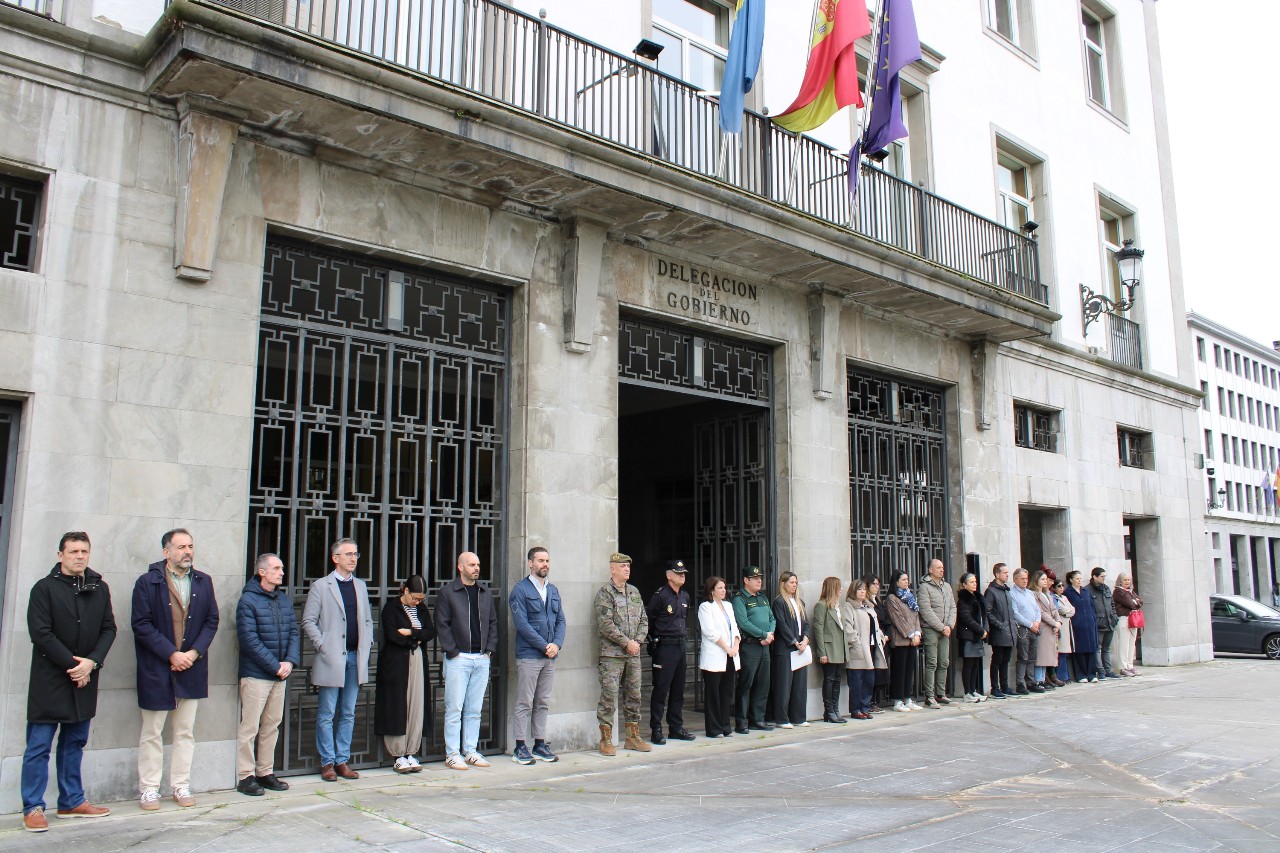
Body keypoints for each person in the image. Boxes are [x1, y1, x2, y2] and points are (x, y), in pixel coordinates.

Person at [21, 532, 116, 833]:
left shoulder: (99, 588)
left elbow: (109, 629)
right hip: (51, 680)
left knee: (75, 742)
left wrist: (92, 662)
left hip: (85, 678)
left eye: (84, 551)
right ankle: (33, 806)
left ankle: (72, 801)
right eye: (73, 551)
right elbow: (41, 633)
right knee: (38, 745)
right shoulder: (44, 589)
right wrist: (75, 665)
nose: (79, 556)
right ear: (60, 554)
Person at [132, 528, 219, 811]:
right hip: (157, 668)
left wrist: (193, 654)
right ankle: (149, 789)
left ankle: (180, 785)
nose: (188, 552)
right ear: (166, 551)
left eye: (190, 546)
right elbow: (141, 625)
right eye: (181, 547)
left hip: (191, 668)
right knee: (152, 732)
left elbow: (211, 620)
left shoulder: (204, 582)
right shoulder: (148, 582)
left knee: (185, 731)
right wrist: (171, 653)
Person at [301, 538, 374, 781]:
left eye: (356, 554)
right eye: (348, 554)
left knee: (348, 712)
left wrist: (368, 643)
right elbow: (308, 621)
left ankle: (343, 759)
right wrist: (322, 645)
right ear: (335, 558)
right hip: (331, 659)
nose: (353, 558)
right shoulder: (321, 586)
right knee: (327, 712)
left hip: (355, 657)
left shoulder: (361, 587)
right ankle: (328, 762)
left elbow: (366, 621)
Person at [235, 553, 300, 796]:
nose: (281, 572)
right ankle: (245, 776)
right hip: (256, 675)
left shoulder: (283, 599)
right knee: (249, 726)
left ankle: (265, 772)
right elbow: (249, 639)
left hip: (280, 674)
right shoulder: (248, 600)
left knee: (272, 725)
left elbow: (294, 631)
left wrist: (290, 662)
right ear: (262, 571)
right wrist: (275, 665)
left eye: (281, 568)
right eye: (276, 568)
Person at [434, 551, 499, 770]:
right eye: (471, 564)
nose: (476, 568)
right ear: (460, 567)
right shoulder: (448, 592)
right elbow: (442, 624)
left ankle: (470, 750)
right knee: (454, 708)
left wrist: (488, 650)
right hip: (458, 658)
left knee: (475, 708)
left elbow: (492, 623)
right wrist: (452, 651)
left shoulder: (485, 593)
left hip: (481, 658)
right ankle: (452, 753)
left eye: (478, 564)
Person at [508, 546, 566, 764]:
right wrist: (544, 645)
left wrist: (557, 645)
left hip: (550, 656)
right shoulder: (520, 590)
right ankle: (520, 747)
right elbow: (522, 625)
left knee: (543, 701)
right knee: (525, 701)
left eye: (547, 560)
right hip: (529, 655)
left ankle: (540, 744)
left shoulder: (553, 590)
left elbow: (561, 620)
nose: (545, 564)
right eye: (540, 560)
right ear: (530, 563)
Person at [374, 575, 436, 773]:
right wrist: (415, 637)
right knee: (397, 704)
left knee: (416, 704)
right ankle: (398, 753)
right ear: (405, 591)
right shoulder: (391, 608)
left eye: (421, 599)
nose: (417, 602)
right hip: (396, 662)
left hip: (417, 658)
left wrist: (410, 633)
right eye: (415, 598)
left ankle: (411, 751)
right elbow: (392, 635)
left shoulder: (421, 609)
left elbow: (430, 632)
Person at [595, 553, 651, 755]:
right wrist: (626, 642)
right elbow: (605, 624)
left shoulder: (634, 592)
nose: (627, 569)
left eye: (628, 565)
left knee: (634, 695)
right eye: (623, 566)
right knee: (609, 697)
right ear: (613, 569)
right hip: (612, 656)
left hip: (633, 654)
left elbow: (644, 620)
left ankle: (632, 737)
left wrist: (637, 642)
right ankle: (606, 740)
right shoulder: (605, 593)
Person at [646, 560, 695, 744]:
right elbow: (649, 619)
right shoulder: (660, 596)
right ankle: (656, 729)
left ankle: (676, 727)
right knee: (661, 689)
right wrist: (653, 641)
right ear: (669, 575)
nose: (682, 575)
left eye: (683, 573)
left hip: (680, 646)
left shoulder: (685, 596)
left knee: (678, 690)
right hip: (665, 647)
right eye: (678, 572)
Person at [732, 565, 775, 733]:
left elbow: (772, 618)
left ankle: (758, 719)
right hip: (750, 646)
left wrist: (769, 634)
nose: (759, 581)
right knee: (746, 684)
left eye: (760, 578)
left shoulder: (763, 598)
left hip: (764, 646)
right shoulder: (739, 599)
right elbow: (743, 623)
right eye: (755, 578)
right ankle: (741, 721)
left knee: (763, 684)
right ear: (746, 580)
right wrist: (763, 634)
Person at [698, 576, 741, 737]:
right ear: (711, 591)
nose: (724, 590)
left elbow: (735, 627)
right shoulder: (705, 607)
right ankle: (714, 728)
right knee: (713, 693)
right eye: (720, 588)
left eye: (724, 588)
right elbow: (710, 632)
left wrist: (735, 645)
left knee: (726, 692)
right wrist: (726, 648)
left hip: (730, 655)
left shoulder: (728, 606)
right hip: (715, 655)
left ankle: (725, 726)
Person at [771, 571, 811, 727]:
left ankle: (799, 717)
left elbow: (806, 624)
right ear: (783, 584)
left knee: (799, 686)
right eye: (791, 582)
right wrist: (795, 642)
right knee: (784, 685)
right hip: (786, 649)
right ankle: (782, 718)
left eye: (796, 582)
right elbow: (782, 625)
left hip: (801, 648)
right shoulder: (779, 602)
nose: (794, 585)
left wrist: (805, 640)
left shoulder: (799, 602)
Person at [840, 579, 885, 719]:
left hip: (871, 648)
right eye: (859, 589)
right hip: (858, 650)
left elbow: (875, 626)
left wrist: (881, 637)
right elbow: (848, 628)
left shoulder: (868, 607)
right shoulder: (849, 607)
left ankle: (865, 707)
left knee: (869, 680)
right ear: (853, 591)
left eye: (864, 589)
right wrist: (857, 643)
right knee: (856, 682)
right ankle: (855, 709)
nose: (862, 592)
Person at [916, 558, 956, 708]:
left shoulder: (946, 586)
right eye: (938, 567)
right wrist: (941, 627)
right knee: (932, 662)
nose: (942, 570)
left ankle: (941, 693)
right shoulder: (924, 587)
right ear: (930, 570)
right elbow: (926, 610)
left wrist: (950, 625)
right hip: (932, 629)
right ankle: (929, 696)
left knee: (944, 662)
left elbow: (953, 607)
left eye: (942, 567)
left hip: (945, 629)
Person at [811, 576, 848, 724]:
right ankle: (829, 710)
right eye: (839, 587)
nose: (841, 590)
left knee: (837, 679)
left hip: (840, 646)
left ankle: (835, 709)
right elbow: (818, 629)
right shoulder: (821, 605)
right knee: (830, 678)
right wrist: (822, 652)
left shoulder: (838, 606)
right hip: (829, 647)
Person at [885, 569, 922, 712]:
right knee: (899, 671)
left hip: (913, 639)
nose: (907, 582)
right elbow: (898, 619)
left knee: (909, 670)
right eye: (903, 580)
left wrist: (917, 633)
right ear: (896, 582)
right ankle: (898, 700)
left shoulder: (910, 596)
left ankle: (908, 697)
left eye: (907, 579)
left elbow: (916, 615)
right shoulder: (892, 598)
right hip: (900, 639)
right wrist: (911, 634)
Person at [954, 571, 988, 703]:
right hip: (968, 636)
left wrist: (985, 629)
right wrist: (980, 630)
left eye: (975, 582)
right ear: (964, 584)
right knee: (968, 664)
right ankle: (967, 692)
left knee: (975, 664)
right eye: (971, 582)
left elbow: (983, 615)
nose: (974, 584)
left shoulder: (977, 597)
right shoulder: (963, 600)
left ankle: (973, 690)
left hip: (977, 635)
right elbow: (966, 618)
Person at [1008, 567, 1042, 695]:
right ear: (1015, 579)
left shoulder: (1030, 593)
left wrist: (1037, 622)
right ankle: (1020, 683)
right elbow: (1015, 613)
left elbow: (1037, 610)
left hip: (1035, 627)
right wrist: (1030, 624)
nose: (1025, 581)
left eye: (1026, 579)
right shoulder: (1012, 594)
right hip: (1023, 628)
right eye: (1022, 579)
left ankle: (1031, 682)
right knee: (1023, 656)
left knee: (1032, 657)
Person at [984, 563, 1015, 699]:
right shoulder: (991, 591)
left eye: (1008, 573)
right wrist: (999, 624)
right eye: (1005, 573)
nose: (1007, 575)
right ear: (997, 574)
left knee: (1006, 660)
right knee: (997, 659)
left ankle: (1005, 686)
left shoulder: (1006, 590)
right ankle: (995, 688)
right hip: (999, 631)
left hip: (1009, 630)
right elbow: (988, 611)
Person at [1029, 568, 1061, 691]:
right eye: (1042, 579)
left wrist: (1058, 622)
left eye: (1045, 579)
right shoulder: (1033, 594)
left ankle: (1042, 678)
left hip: (1052, 626)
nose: (1045, 582)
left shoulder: (1047, 594)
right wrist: (1054, 623)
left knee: (1048, 655)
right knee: (1041, 655)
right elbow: (1040, 612)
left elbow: (1054, 609)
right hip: (1043, 626)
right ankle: (1038, 680)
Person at [1064, 570, 1099, 682]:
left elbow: (1092, 606)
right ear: (1071, 580)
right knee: (1079, 650)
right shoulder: (1068, 592)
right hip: (1077, 624)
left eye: (1080, 578)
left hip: (1089, 623)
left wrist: (1093, 617)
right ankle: (1081, 675)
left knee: (1091, 649)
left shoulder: (1085, 591)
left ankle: (1092, 674)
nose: (1079, 581)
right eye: (1077, 578)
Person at [1088, 567, 1122, 678]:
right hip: (1098, 623)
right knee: (1098, 648)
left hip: (1109, 622)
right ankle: (1101, 671)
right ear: (1094, 576)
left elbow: (1112, 604)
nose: (1104, 579)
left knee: (1107, 648)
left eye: (1104, 576)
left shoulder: (1106, 588)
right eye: (1102, 576)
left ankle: (1109, 670)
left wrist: (1115, 617)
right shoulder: (1087, 590)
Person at [865, 575, 890, 710]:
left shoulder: (878, 602)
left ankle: (875, 700)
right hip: (871, 640)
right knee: (871, 671)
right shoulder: (866, 602)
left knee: (880, 671)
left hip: (882, 640)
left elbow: (885, 619)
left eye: (878, 584)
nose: (877, 586)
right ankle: (869, 701)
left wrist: (886, 634)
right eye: (874, 584)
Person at [1112, 573, 1143, 677]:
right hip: (1124, 619)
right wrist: (1135, 602)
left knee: (1131, 644)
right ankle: (1123, 667)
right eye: (1125, 580)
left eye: (1128, 580)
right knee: (1124, 644)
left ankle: (1130, 666)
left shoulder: (1130, 591)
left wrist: (1135, 602)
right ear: (1120, 581)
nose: (1127, 582)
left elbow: (1141, 602)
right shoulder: (1118, 591)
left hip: (1133, 620)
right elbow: (1130, 604)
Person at [1053, 577, 1076, 685]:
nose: (1062, 588)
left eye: (1062, 586)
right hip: (1061, 625)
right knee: (1061, 653)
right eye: (1059, 586)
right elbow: (1061, 610)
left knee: (1066, 653)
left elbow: (1073, 609)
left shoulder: (1065, 597)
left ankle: (1065, 675)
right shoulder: (1055, 598)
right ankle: (1061, 676)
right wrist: (1068, 612)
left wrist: (1068, 612)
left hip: (1067, 626)